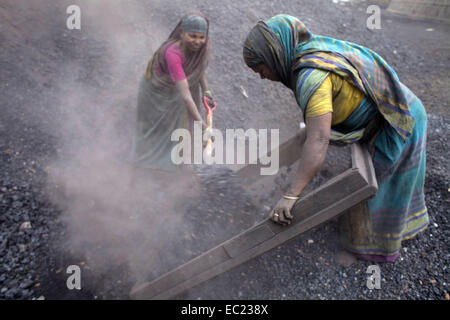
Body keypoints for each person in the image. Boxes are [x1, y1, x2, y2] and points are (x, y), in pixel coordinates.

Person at [242, 14, 428, 264]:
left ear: (275, 55)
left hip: (400, 121)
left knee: (382, 189)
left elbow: (318, 139)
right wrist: (255, 170)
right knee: (388, 184)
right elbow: (310, 133)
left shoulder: (311, 77)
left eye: (260, 68)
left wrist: (291, 195)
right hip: (396, 108)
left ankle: (371, 250)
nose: (262, 76)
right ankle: (389, 232)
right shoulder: (311, 51)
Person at [131, 11, 214, 173]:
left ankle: (178, 165)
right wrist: (203, 127)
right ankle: (146, 167)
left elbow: (199, 67)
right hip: (157, 92)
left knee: (180, 127)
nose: (198, 42)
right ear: (181, 33)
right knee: (156, 131)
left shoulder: (203, 47)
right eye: (193, 36)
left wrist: (207, 91)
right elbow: (185, 96)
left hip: (180, 89)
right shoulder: (172, 54)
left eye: (201, 37)